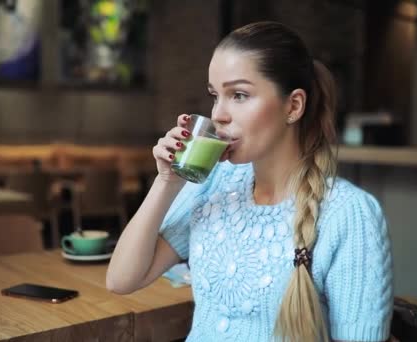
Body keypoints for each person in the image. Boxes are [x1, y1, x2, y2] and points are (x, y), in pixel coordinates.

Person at [107, 21, 393, 341]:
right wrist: (166, 182)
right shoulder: (214, 183)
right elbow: (122, 279)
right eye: (215, 95)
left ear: (293, 106)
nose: (218, 114)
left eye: (239, 95)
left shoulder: (350, 214)